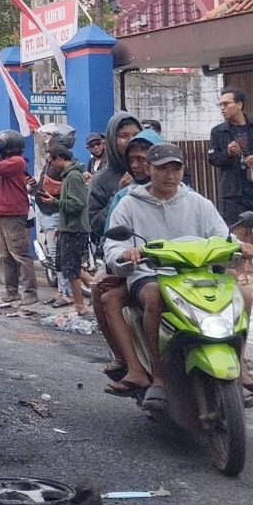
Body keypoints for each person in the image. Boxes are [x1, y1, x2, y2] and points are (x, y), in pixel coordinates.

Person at [103, 143, 253, 409]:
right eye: (162, 169)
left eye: (176, 168)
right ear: (149, 169)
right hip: (152, 274)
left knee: (245, 296)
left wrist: (240, 246)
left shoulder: (197, 202)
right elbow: (113, 245)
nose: (170, 175)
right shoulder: (129, 204)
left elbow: (222, 235)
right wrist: (126, 254)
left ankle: (240, 368)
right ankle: (158, 377)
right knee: (153, 296)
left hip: (196, 275)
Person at [91, 129, 162, 387]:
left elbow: (214, 232)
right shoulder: (125, 198)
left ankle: (240, 373)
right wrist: (120, 259)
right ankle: (132, 364)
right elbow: (111, 236)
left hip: (184, 273)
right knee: (104, 291)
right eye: (133, 160)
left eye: (144, 159)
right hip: (138, 271)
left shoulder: (190, 198)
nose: (137, 165)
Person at [208, 87, 253, 278]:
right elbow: (213, 159)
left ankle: (248, 262)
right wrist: (228, 153)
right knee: (237, 230)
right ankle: (239, 270)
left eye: (226, 104)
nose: (222, 108)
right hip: (232, 188)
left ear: (239, 105)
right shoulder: (218, 132)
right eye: (220, 104)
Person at [0, 130, 39, 308]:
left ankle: (30, 292)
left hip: (13, 214)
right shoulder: (10, 163)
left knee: (20, 254)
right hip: (2, 213)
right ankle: (11, 291)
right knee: (5, 255)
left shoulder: (16, 162)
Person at [36, 146, 93, 316]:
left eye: (51, 160)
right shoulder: (68, 176)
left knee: (72, 268)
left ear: (60, 158)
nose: (49, 164)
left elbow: (77, 204)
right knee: (66, 265)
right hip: (67, 228)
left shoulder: (73, 177)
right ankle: (91, 291)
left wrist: (55, 202)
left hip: (75, 229)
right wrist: (60, 228)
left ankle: (80, 305)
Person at [88, 111, 142, 246]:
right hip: (120, 254)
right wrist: (119, 194)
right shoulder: (101, 179)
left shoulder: (153, 171)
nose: (131, 140)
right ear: (112, 140)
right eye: (123, 136)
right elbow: (97, 226)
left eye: (136, 135)